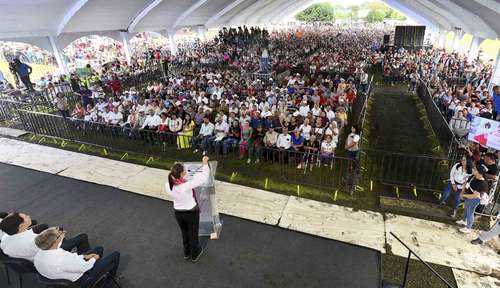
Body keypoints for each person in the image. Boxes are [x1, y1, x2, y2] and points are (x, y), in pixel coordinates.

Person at [34, 227, 121, 286]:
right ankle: (109, 282)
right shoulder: (61, 260)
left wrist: (84, 256)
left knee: (99, 249)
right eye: (60, 234)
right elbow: (84, 267)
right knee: (115, 255)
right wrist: (93, 259)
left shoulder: (38, 255)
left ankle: (100, 272)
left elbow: (72, 260)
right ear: (55, 242)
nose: (63, 233)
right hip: (82, 280)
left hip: (61, 278)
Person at [167, 156, 210, 262]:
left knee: (184, 233)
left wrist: (176, 167)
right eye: (184, 170)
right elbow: (203, 178)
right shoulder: (186, 185)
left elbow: (172, 176)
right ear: (181, 174)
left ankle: (186, 253)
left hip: (178, 213)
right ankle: (195, 254)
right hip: (191, 212)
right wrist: (205, 164)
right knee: (193, 233)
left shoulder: (168, 185)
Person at [456, 164, 489, 234]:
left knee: (470, 212)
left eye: (475, 169)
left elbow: (475, 196)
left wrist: (463, 195)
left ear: (479, 172)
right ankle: (464, 221)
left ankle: (468, 228)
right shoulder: (473, 176)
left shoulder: (483, 184)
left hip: (474, 199)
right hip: (468, 196)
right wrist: (462, 192)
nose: (473, 170)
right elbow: (466, 183)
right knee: (466, 208)